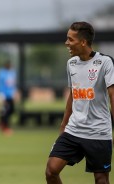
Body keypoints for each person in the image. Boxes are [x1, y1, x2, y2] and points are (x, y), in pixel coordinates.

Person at [45, 21, 114, 184]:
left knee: (101, 179)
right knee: (51, 171)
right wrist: (63, 126)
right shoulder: (71, 63)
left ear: (83, 42)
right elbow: (73, 95)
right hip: (73, 130)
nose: (66, 43)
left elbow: (113, 96)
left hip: (98, 131)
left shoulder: (105, 62)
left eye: (70, 39)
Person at [0, 60, 19, 135]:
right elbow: (0, 84)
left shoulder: (12, 73)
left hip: (11, 95)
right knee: (5, 111)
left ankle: (1, 122)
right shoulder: (1, 73)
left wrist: (15, 93)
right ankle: (5, 127)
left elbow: (13, 84)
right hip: (4, 95)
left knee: (11, 110)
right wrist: (1, 95)